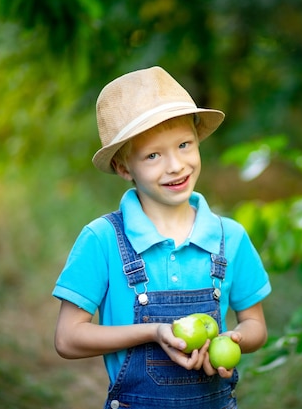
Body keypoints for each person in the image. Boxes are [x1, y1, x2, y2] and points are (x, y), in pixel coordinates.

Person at [52, 66, 272, 409]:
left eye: (184, 145)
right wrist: (153, 332)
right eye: (153, 155)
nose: (175, 165)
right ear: (125, 168)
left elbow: (255, 324)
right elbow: (67, 338)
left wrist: (234, 340)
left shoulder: (231, 238)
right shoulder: (103, 239)